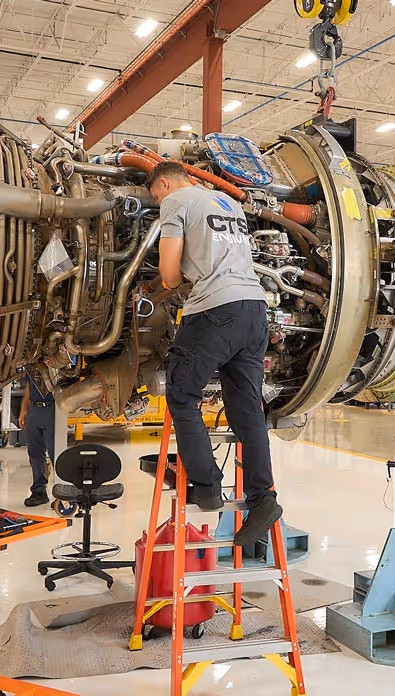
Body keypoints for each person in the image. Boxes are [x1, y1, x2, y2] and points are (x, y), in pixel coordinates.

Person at [147, 160, 281, 547]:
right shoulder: (228, 202)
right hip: (255, 311)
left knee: (182, 396)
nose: (160, 202)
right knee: (247, 412)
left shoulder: (177, 202)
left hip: (215, 310)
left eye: (158, 195)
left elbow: (170, 275)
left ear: (167, 183)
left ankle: (206, 486)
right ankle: (262, 499)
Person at [20, 368, 55, 508]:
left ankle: (63, 491)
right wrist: (24, 408)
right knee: (34, 454)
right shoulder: (32, 362)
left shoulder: (59, 360)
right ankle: (39, 491)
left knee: (56, 453)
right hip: (34, 409)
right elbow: (30, 385)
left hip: (53, 409)